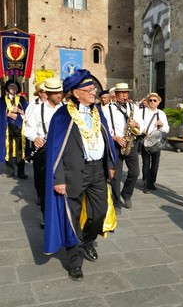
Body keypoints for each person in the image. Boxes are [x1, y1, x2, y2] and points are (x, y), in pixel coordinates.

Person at [43, 69, 116, 281]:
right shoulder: (62, 116)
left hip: (97, 171)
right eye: (90, 89)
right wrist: (58, 179)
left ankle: (86, 240)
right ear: (76, 92)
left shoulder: (96, 111)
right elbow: (54, 150)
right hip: (73, 172)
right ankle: (74, 261)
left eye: (94, 88)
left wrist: (110, 163)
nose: (95, 92)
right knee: (71, 217)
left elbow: (106, 137)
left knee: (99, 213)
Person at [24, 78, 64, 228]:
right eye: (56, 92)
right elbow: (28, 128)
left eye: (60, 91)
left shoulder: (66, 108)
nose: (59, 95)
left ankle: (62, 213)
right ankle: (47, 216)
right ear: (47, 93)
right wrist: (35, 138)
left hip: (62, 150)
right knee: (45, 185)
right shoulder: (37, 109)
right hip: (44, 151)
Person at [103, 82, 145, 215]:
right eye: (121, 93)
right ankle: (116, 202)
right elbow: (104, 127)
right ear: (115, 95)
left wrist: (137, 124)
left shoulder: (133, 107)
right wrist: (115, 137)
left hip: (130, 143)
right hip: (116, 144)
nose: (124, 96)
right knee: (116, 176)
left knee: (135, 173)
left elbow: (142, 126)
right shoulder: (108, 108)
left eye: (126, 93)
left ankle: (126, 194)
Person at [140, 92, 169, 193]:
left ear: (158, 102)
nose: (152, 102)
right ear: (147, 102)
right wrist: (141, 130)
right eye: (150, 100)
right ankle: (145, 183)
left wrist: (161, 125)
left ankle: (152, 182)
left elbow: (167, 129)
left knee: (155, 164)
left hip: (157, 141)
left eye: (154, 100)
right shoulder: (141, 112)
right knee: (146, 163)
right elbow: (137, 125)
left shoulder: (161, 113)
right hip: (145, 140)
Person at [0, 80, 29, 179]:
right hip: (8, 128)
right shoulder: (2, 100)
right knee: (9, 149)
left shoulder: (21, 99)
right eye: (11, 86)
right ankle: (10, 171)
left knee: (21, 150)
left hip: (20, 128)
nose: (13, 88)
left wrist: (19, 110)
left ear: (17, 88)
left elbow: (28, 112)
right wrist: (8, 114)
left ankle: (21, 172)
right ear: (7, 88)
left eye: (15, 86)